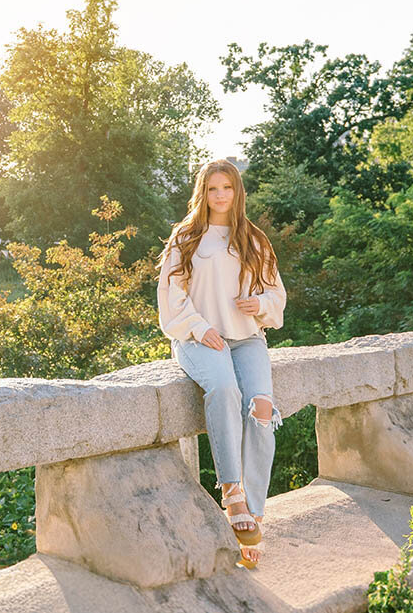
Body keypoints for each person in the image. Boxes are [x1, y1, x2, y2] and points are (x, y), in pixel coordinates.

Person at [155, 159, 287, 570]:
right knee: (226, 390)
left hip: (246, 338)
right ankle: (232, 492)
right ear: (203, 193)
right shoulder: (186, 238)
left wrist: (260, 304)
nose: (220, 196)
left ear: (237, 192)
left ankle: (256, 513)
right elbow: (171, 298)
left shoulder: (254, 239)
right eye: (213, 189)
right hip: (200, 338)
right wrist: (198, 326)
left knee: (262, 407)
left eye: (227, 188)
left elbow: (276, 297)